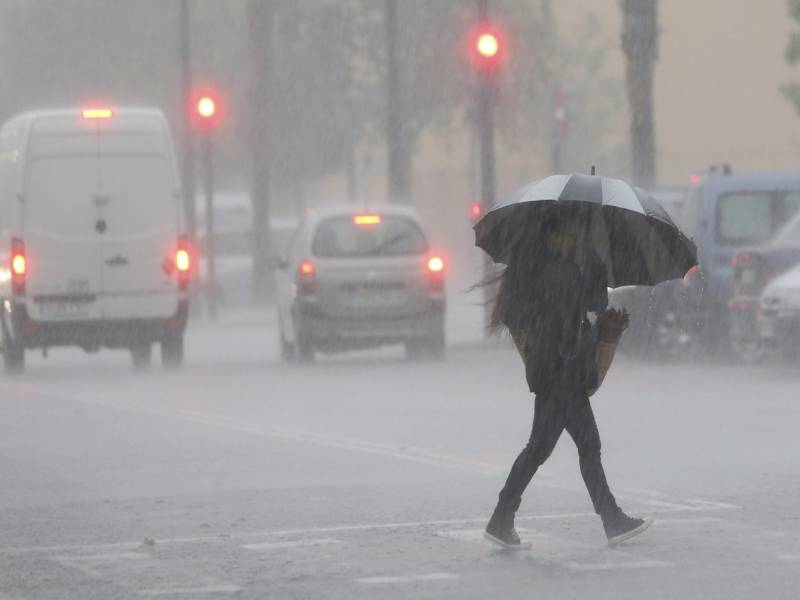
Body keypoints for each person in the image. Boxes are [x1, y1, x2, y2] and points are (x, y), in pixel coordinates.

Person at [484, 207, 653, 550]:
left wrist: (588, 261)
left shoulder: (547, 268)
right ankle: (611, 520)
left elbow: (587, 306)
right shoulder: (556, 270)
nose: (572, 240)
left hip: (557, 371)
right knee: (581, 446)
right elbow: (589, 300)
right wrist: (590, 261)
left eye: (576, 235)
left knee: (544, 449)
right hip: (560, 372)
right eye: (569, 235)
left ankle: (502, 518)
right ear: (553, 236)